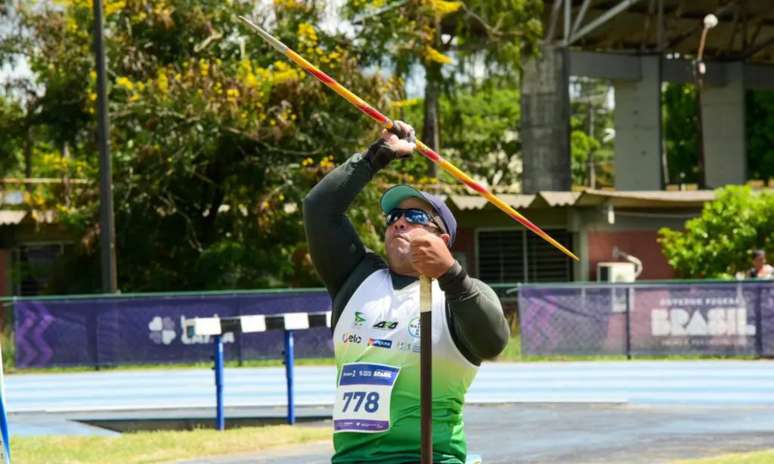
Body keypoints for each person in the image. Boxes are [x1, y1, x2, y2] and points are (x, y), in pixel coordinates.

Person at [304, 121, 509, 464]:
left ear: (443, 241)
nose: (398, 222)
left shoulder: (460, 295)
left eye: (414, 216)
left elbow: (494, 342)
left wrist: (450, 274)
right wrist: (377, 156)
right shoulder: (355, 277)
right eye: (394, 216)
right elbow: (319, 209)